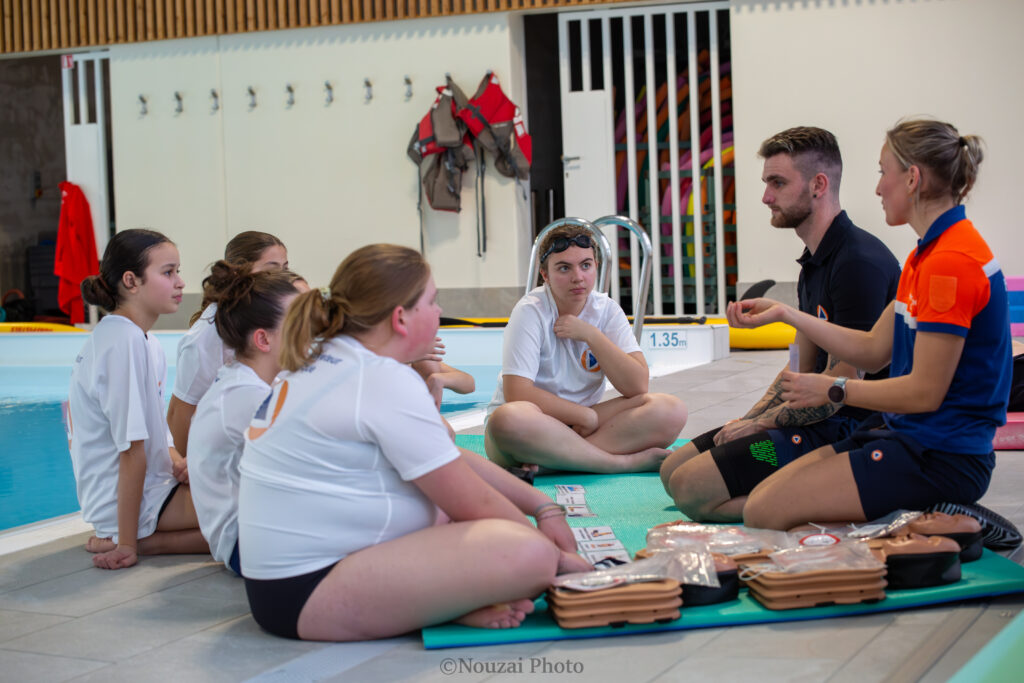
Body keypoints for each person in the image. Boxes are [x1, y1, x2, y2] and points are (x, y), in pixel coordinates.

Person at [237, 244, 591, 641]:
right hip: (305, 594)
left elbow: (450, 459)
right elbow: (475, 502)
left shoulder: (329, 360)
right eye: (432, 302)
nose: (439, 312)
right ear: (401, 318)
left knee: (444, 510)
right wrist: (559, 559)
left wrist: (544, 508)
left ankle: (448, 604)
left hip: (282, 584)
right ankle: (445, 604)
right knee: (529, 555)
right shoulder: (379, 379)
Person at [727, 118, 1011, 530]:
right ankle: (902, 519)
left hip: (940, 455)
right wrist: (788, 313)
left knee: (764, 511)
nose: (878, 188)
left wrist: (835, 388)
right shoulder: (924, 255)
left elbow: (926, 392)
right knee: (761, 502)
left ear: (912, 179)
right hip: (903, 435)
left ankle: (944, 518)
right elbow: (874, 348)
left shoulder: (950, 263)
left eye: (883, 172)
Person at [661, 127, 901, 520]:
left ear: (818, 185)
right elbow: (800, 370)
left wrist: (765, 426)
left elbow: (841, 383)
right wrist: (752, 420)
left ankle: (835, 503)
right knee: (672, 471)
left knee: (691, 491)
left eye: (777, 183)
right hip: (812, 421)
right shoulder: (814, 261)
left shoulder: (858, 263)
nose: (765, 197)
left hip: (848, 430)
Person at [484, 226, 688, 473]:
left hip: (583, 428)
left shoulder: (607, 310)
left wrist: (591, 335)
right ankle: (618, 463)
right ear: (544, 275)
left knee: (671, 410)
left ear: (596, 267)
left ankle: (556, 463)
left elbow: (637, 386)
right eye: (564, 268)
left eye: (586, 265)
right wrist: (584, 416)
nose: (578, 277)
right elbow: (517, 392)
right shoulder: (530, 311)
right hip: (535, 425)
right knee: (508, 419)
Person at [70, 229, 208, 570]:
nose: (179, 282)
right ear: (131, 280)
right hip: (131, 501)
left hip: (149, 489)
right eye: (168, 272)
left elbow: (155, 429)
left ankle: (135, 537)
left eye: (177, 271)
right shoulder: (122, 342)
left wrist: (177, 459)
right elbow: (130, 449)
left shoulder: (142, 340)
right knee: (253, 519)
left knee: (258, 510)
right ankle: (144, 543)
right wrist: (127, 545)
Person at [186, 262, 302, 575]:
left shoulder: (250, 382)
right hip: (248, 546)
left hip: (253, 536)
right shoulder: (244, 396)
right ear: (264, 340)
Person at [166, 231, 288, 468]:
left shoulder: (262, 318)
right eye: (272, 268)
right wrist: (183, 470)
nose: (282, 277)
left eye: (285, 268)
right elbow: (179, 413)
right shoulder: (209, 334)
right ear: (239, 271)